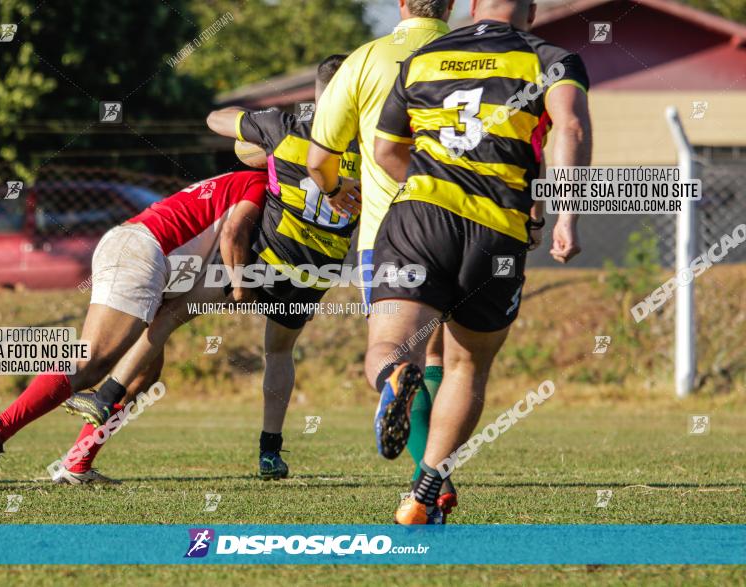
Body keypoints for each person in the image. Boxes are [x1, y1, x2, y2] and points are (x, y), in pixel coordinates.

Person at [62, 55, 361, 482]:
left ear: (317, 93)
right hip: (317, 273)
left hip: (266, 259)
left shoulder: (286, 129)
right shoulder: (369, 144)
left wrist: (253, 126)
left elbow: (216, 119)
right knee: (278, 352)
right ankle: (269, 452)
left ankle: (108, 394)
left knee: (170, 315)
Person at [370, 0, 591, 524]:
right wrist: (565, 218)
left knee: (392, 345)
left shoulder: (423, 57)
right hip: (497, 230)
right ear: (532, 12)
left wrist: (428, 189)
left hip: (420, 216)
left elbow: (385, 150)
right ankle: (423, 496)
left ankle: (396, 375)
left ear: (471, 7)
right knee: (468, 367)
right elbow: (572, 131)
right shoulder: (549, 56)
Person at [0, 171, 267, 487]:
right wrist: (244, 289)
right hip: (143, 253)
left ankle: (77, 463)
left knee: (141, 376)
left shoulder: (247, 178)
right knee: (91, 362)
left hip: (145, 254)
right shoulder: (261, 182)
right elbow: (232, 234)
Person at [305, 0, 456, 521]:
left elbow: (318, 159)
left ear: (400, 5)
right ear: (452, 5)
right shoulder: (470, 56)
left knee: (390, 352)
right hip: (463, 226)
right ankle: (429, 486)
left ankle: (397, 393)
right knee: (440, 359)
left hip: (389, 232)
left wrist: (335, 188)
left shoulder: (365, 59)